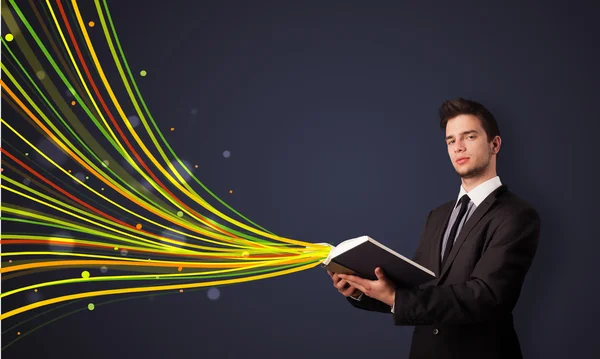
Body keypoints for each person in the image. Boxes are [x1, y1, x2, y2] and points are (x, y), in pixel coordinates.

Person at [328, 97, 540, 359]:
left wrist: (396, 298)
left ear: (494, 144)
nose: (458, 147)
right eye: (451, 141)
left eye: (469, 137)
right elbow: (418, 289)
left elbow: (486, 296)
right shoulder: (437, 216)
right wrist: (361, 289)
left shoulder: (517, 215)